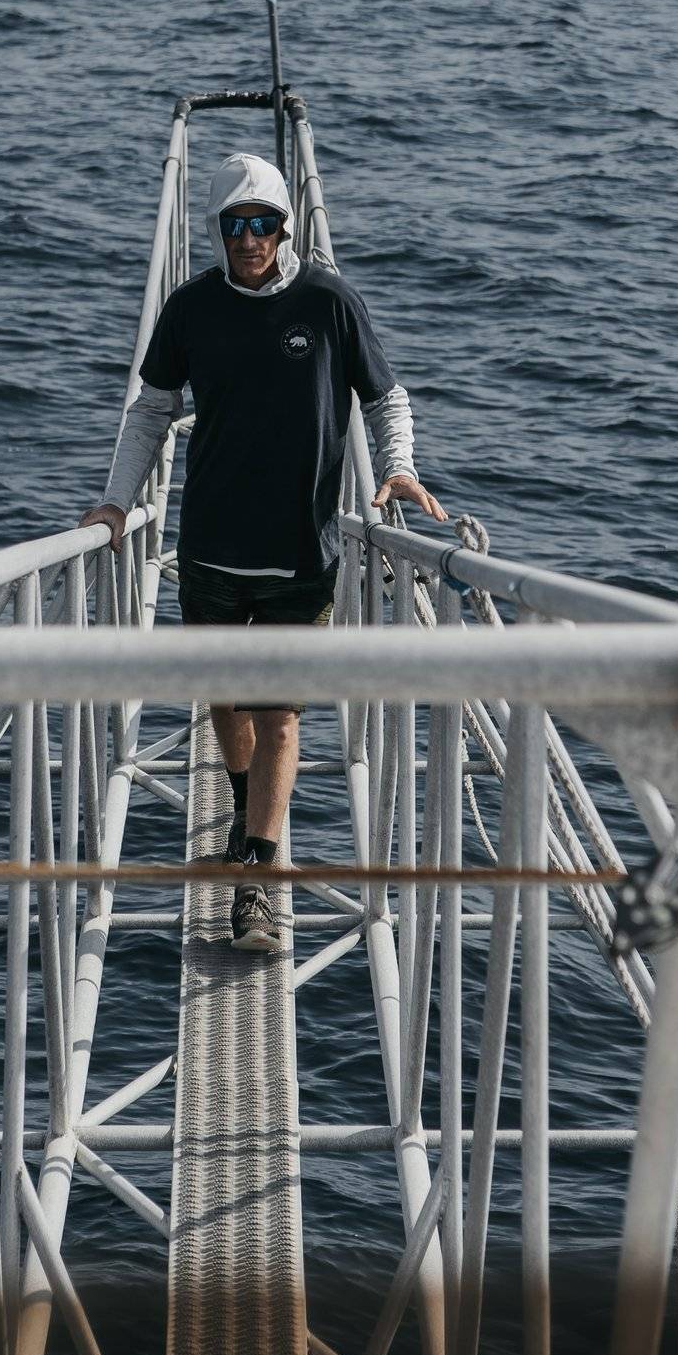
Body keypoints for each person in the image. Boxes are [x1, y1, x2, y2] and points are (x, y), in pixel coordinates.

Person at [81, 150, 445, 949]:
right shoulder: (191, 308)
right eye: (235, 224)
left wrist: (400, 470)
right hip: (210, 549)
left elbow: (386, 398)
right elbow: (150, 410)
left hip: (301, 554)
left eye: (264, 223)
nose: (250, 238)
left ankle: (258, 870)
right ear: (216, 230)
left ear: (287, 226)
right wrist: (116, 501)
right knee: (223, 698)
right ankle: (250, 806)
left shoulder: (328, 300)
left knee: (279, 715)